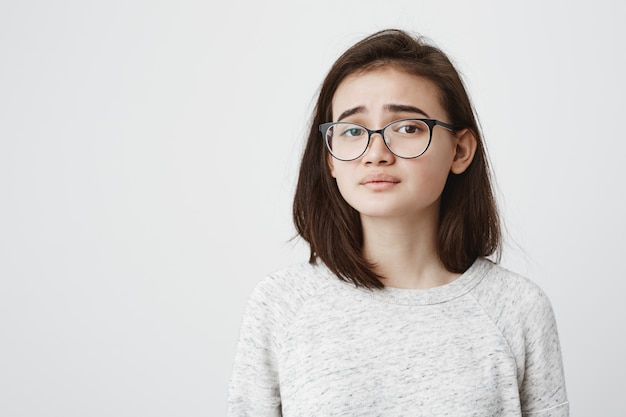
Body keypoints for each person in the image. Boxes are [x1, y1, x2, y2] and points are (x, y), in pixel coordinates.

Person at [227, 29, 568, 416]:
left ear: (460, 150)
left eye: (407, 128)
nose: (375, 153)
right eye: (353, 131)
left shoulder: (518, 309)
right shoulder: (281, 305)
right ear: (330, 160)